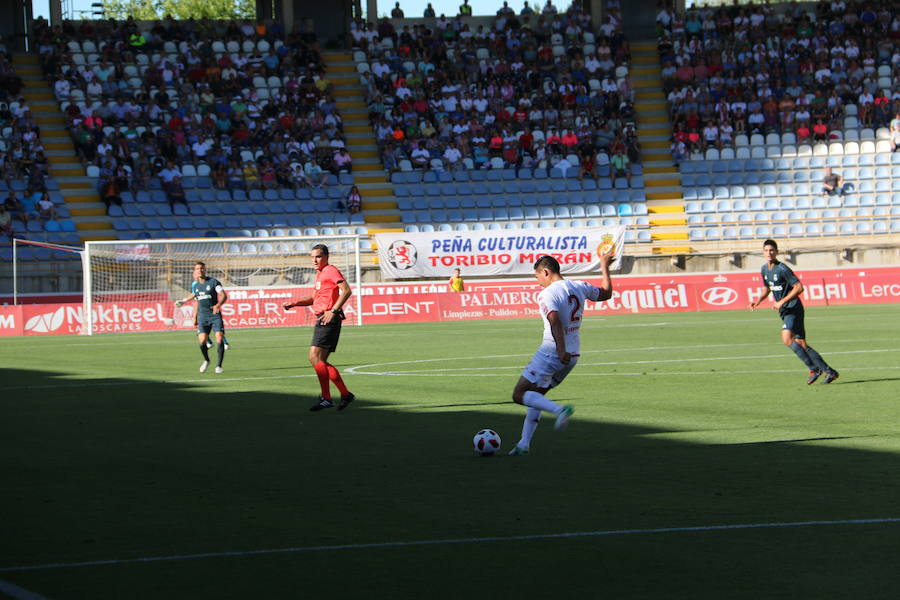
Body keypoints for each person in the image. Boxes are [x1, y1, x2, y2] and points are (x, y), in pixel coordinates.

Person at [508, 251, 615, 456]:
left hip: (553, 351)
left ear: (546, 272)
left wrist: (559, 349)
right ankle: (524, 444)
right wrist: (604, 266)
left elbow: (555, 320)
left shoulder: (547, 294)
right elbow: (606, 293)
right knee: (536, 395)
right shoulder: (578, 286)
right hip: (573, 356)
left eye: (537, 276)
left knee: (519, 394)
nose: (538, 282)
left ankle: (560, 411)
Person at [749, 239, 838, 385]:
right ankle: (830, 372)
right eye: (766, 250)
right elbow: (767, 288)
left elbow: (799, 287)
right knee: (801, 343)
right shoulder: (764, 269)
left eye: (772, 250)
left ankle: (814, 369)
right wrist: (758, 300)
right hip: (784, 310)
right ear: (763, 252)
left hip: (793, 308)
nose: (769, 253)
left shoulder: (782, 268)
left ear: (776, 252)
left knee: (786, 338)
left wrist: (782, 301)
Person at [283, 244, 355, 411]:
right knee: (320, 361)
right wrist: (295, 303)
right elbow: (315, 298)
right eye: (312, 257)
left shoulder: (330, 270)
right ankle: (344, 394)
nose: (315, 260)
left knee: (314, 357)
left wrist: (333, 310)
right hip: (324, 317)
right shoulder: (321, 274)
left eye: (318, 256)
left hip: (328, 318)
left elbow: (346, 290)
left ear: (326, 257)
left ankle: (327, 397)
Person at [174, 262, 229, 374]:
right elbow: (195, 298)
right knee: (202, 341)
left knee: (219, 338)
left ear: (205, 270)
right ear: (195, 271)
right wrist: (184, 302)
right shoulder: (196, 285)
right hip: (202, 317)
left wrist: (218, 305)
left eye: (202, 268)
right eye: (198, 269)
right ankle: (207, 360)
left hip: (214, 315)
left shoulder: (214, 282)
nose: (200, 270)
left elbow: (224, 295)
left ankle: (218, 366)